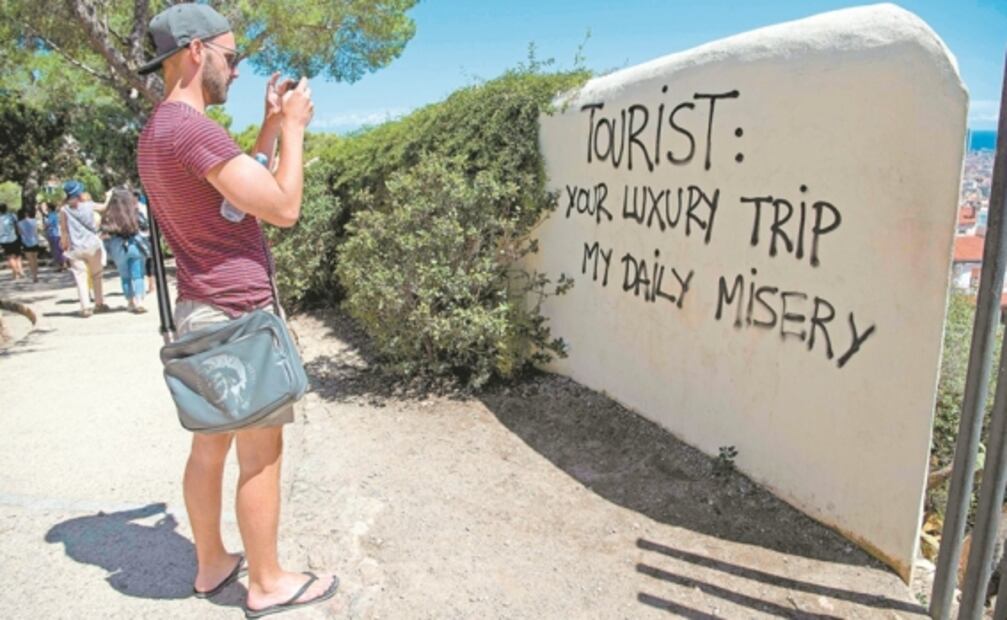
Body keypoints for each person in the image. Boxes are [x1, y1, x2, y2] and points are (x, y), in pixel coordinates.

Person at [135, 4, 335, 617]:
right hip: (236, 314)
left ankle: (211, 564)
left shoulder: (158, 132)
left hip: (201, 310)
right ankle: (268, 581)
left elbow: (227, 198)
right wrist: (297, 130)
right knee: (261, 450)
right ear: (196, 51)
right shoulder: (193, 130)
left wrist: (270, 128)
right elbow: (280, 206)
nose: (238, 70)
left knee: (209, 447)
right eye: (232, 56)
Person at [60, 180, 109, 317]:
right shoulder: (89, 205)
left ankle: (85, 307)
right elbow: (104, 207)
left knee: (80, 277)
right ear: (79, 193)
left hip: (75, 248)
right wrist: (109, 196)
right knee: (97, 275)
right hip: (93, 245)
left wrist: (64, 247)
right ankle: (99, 303)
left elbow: (64, 231)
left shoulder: (64, 210)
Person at [100, 189, 150, 313]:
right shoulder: (134, 211)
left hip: (117, 244)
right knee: (138, 275)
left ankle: (130, 301)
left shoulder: (110, 215)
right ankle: (140, 301)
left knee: (125, 276)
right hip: (134, 243)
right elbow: (145, 225)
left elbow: (104, 229)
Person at [0, 203, 24, 279]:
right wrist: (20, 234)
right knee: (18, 255)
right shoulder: (12, 216)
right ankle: (19, 270)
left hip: (3, 239)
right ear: (6, 208)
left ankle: (15, 272)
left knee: (10, 256)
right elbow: (17, 226)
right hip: (14, 237)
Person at [16, 206, 40, 283]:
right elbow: (36, 232)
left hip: (26, 243)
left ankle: (33, 276)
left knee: (30, 260)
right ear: (26, 213)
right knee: (35, 259)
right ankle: (36, 275)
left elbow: (20, 233)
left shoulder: (19, 223)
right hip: (34, 242)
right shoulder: (33, 221)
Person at [42, 202, 66, 270]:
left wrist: (44, 228)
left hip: (53, 234)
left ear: (49, 208)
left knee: (55, 250)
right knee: (59, 249)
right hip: (56, 234)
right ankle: (63, 264)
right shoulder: (54, 214)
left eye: (46, 207)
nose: (46, 209)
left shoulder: (51, 215)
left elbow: (48, 224)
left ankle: (59, 265)